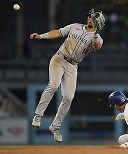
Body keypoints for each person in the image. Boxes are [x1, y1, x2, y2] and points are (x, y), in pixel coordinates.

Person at [30, 9, 105, 143]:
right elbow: (58, 32)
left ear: (98, 22)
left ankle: (55, 127)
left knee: (68, 97)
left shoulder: (98, 38)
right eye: (88, 16)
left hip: (73, 66)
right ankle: (38, 115)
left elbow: (97, 46)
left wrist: (95, 34)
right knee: (53, 85)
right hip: (59, 59)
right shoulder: (75, 26)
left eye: (92, 18)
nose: (89, 19)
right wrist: (41, 36)